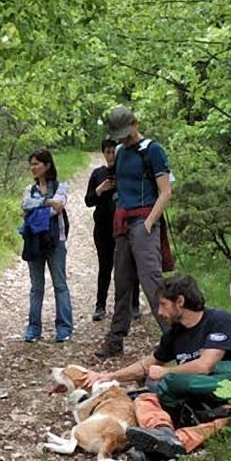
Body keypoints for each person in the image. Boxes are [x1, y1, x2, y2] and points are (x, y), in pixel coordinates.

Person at [85, 274, 231, 461]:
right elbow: (148, 365)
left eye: (163, 304)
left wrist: (166, 372)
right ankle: (162, 433)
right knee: (143, 399)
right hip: (193, 401)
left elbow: (206, 366)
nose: (160, 312)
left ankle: (168, 444)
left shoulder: (220, 321)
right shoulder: (175, 333)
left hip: (227, 394)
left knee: (222, 418)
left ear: (180, 301)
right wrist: (109, 376)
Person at [94, 105, 173, 359]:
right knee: (122, 283)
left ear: (135, 123)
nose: (124, 138)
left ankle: (175, 339)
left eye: (127, 133)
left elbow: (165, 192)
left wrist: (150, 222)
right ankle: (116, 339)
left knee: (152, 283)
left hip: (143, 221)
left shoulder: (152, 150)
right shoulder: (120, 152)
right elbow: (121, 183)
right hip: (123, 223)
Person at [85, 137, 141, 323]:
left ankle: (133, 304)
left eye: (113, 152)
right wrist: (100, 189)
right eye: (107, 152)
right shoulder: (98, 174)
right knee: (105, 266)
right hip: (103, 228)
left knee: (130, 266)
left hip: (125, 226)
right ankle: (100, 305)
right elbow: (88, 201)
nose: (110, 156)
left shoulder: (125, 173)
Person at [22, 149, 73, 343]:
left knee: (60, 284)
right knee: (36, 287)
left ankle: (64, 327)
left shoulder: (61, 186)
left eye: (37, 164)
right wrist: (46, 202)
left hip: (55, 240)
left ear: (47, 165)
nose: (33, 168)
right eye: (31, 164)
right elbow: (25, 205)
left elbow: (58, 207)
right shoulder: (29, 189)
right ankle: (33, 327)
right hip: (34, 240)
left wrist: (38, 206)